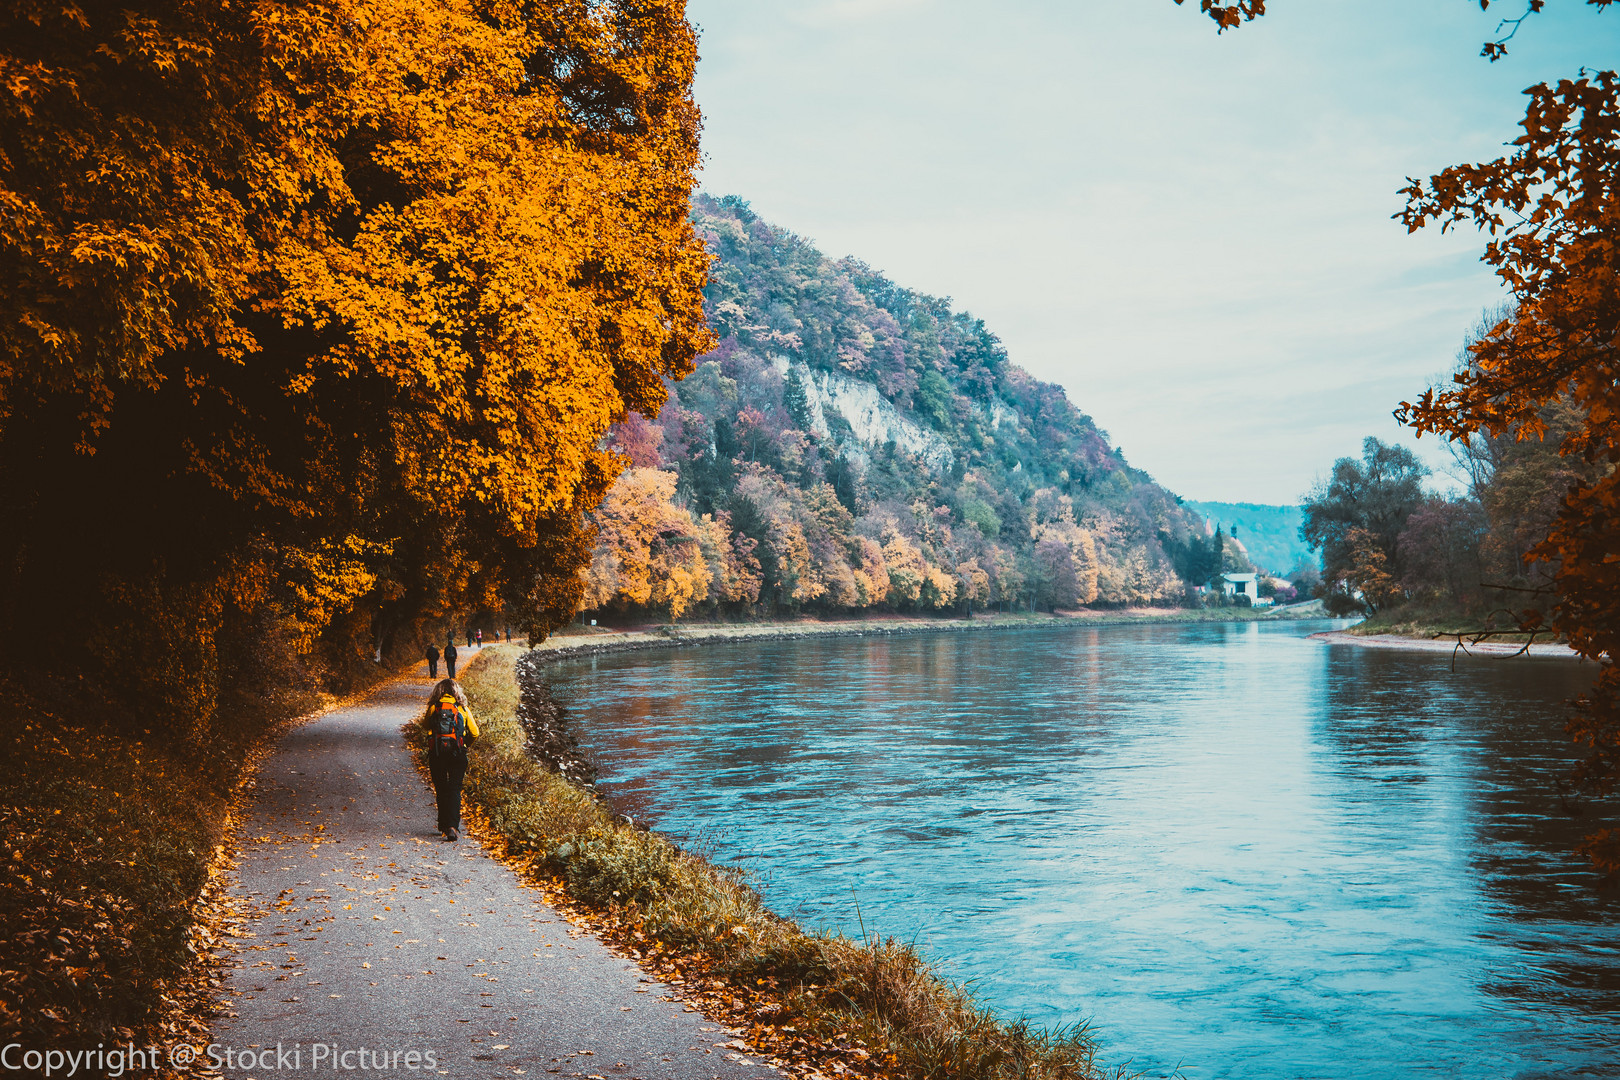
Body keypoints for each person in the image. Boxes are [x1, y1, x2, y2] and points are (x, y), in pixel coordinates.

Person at [421, 679, 478, 841]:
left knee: (441, 788)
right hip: (457, 753)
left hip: (437, 753)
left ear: (438, 692)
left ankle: (443, 823)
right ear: (456, 692)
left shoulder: (434, 708)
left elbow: (425, 726)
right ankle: (452, 826)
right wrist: (464, 744)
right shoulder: (463, 709)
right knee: (454, 788)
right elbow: (475, 732)